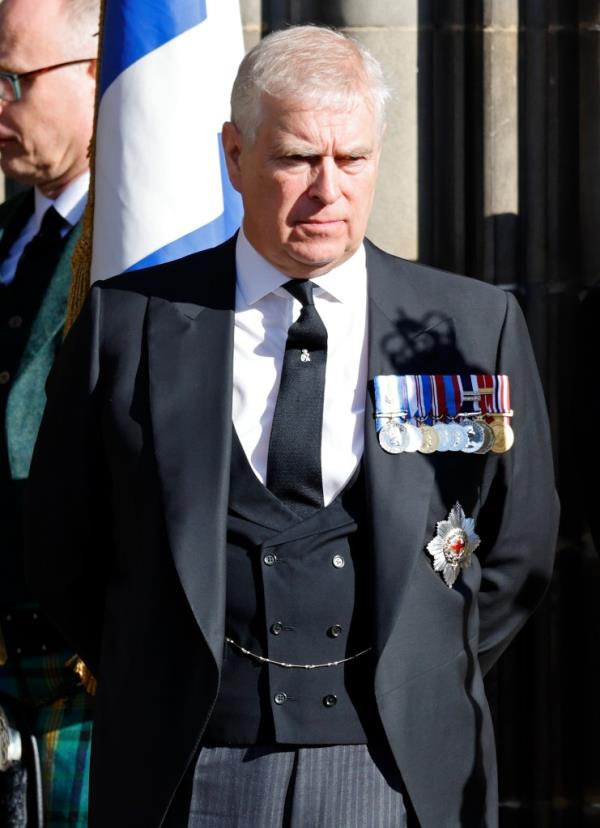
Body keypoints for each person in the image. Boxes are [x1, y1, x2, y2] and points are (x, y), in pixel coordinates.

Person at [25, 25, 559, 828]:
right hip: (186, 769)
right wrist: (160, 663)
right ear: (234, 155)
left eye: (352, 160)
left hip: (395, 773)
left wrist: (415, 666)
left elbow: (515, 551)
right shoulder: (126, 323)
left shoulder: (469, 326)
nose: (327, 190)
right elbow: (65, 544)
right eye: (296, 159)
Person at [0, 0, 97, 823]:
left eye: (11, 80)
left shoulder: (157, 250)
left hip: (85, 676)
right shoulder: (7, 237)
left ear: (97, 72)